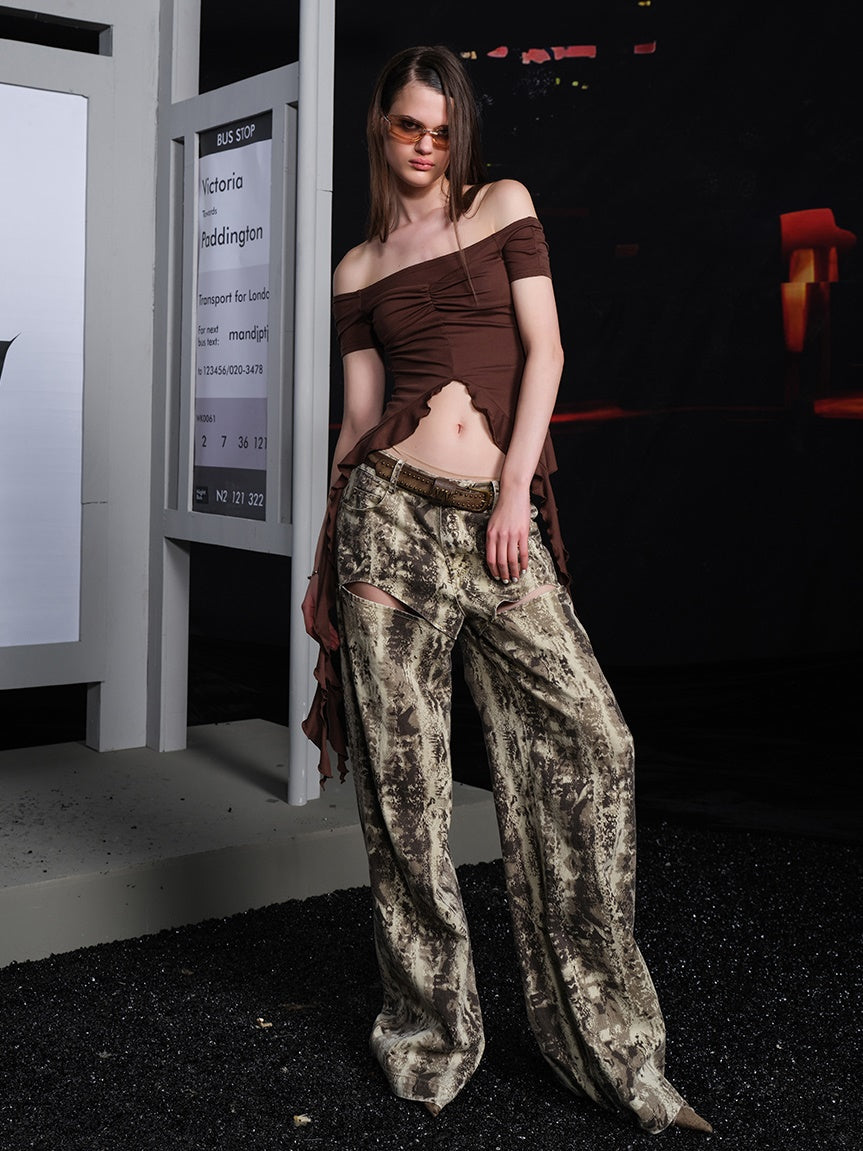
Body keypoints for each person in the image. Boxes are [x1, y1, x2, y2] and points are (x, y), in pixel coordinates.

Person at [301, 45, 712, 1136]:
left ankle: (609, 1046)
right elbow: (356, 421)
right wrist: (322, 560)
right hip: (385, 527)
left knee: (594, 741)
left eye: (443, 131)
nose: (426, 147)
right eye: (408, 126)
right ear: (381, 126)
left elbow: (547, 352)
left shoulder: (501, 206)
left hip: (495, 519)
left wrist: (514, 491)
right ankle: (429, 1037)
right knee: (404, 793)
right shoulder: (355, 268)